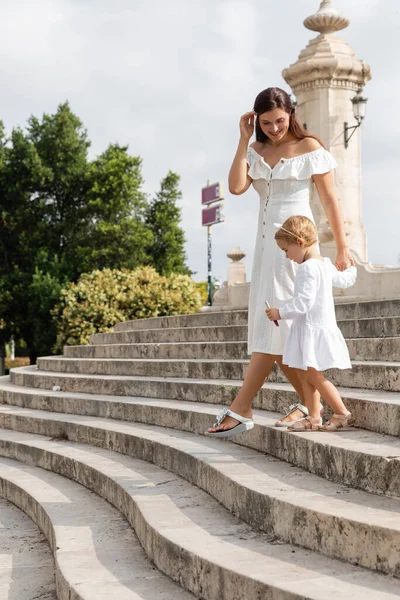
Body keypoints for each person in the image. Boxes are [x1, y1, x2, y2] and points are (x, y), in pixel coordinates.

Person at [207, 86, 354, 437]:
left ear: (292, 114)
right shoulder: (256, 149)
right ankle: (308, 406)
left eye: (280, 120)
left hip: (297, 247)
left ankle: (242, 407)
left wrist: (343, 248)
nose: (274, 128)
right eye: (266, 122)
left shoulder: (310, 148)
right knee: (282, 330)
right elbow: (237, 187)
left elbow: (330, 199)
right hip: (266, 248)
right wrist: (244, 140)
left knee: (275, 328)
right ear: (257, 120)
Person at [265, 216, 356, 431]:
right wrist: (351, 266)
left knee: (313, 375)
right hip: (314, 328)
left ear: (299, 242)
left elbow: (303, 303)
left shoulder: (307, 268)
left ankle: (341, 412)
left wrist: (280, 312)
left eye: (286, 250)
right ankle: (314, 417)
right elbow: (345, 280)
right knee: (305, 373)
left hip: (311, 328)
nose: (287, 256)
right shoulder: (323, 264)